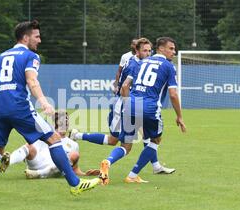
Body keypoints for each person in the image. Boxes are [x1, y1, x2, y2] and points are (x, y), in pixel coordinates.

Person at [0, 20, 101, 201]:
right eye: (37, 36)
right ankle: (75, 184)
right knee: (54, 139)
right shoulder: (31, 57)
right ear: (25, 38)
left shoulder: (1, 57)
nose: (40, 40)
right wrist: (43, 101)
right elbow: (32, 81)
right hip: (19, 107)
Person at [69, 38, 175, 178]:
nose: (148, 54)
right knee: (116, 140)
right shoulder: (134, 64)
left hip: (133, 104)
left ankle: (155, 166)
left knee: (145, 136)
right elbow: (125, 86)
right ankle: (78, 136)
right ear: (136, 51)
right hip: (125, 105)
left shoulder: (142, 63)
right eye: (145, 50)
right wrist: (128, 106)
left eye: (149, 51)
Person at [99, 37, 186, 184]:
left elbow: (125, 86)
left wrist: (127, 105)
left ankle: (107, 162)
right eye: (171, 48)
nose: (174, 51)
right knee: (155, 139)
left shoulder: (142, 62)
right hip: (150, 108)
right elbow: (173, 94)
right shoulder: (169, 66)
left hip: (131, 105)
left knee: (126, 145)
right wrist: (179, 116)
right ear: (161, 49)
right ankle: (132, 176)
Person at [0, 110, 100, 179]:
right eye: (62, 121)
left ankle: (39, 174)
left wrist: (85, 174)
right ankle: (9, 160)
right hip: (38, 164)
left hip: (55, 169)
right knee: (29, 146)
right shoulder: (47, 134)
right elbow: (30, 150)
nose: (65, 123)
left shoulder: (73, 144)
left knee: (74, 155)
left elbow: (74, 169)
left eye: (66, 121)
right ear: (55, 122)